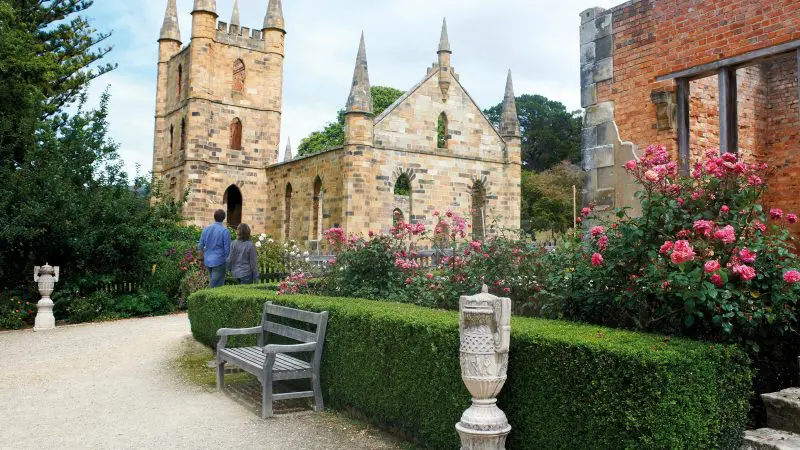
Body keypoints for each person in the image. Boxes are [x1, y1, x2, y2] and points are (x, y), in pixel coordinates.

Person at [198, 209, 231, 288]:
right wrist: (228, 262)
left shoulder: (206, 229)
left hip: (208, 259)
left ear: (214, 217)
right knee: (216, 285)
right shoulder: (225, 231)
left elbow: (200, 245)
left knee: (213, 281)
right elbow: (227, 250)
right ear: (224, 218)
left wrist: (201, 256)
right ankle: (208, 298)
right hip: (219, 260)